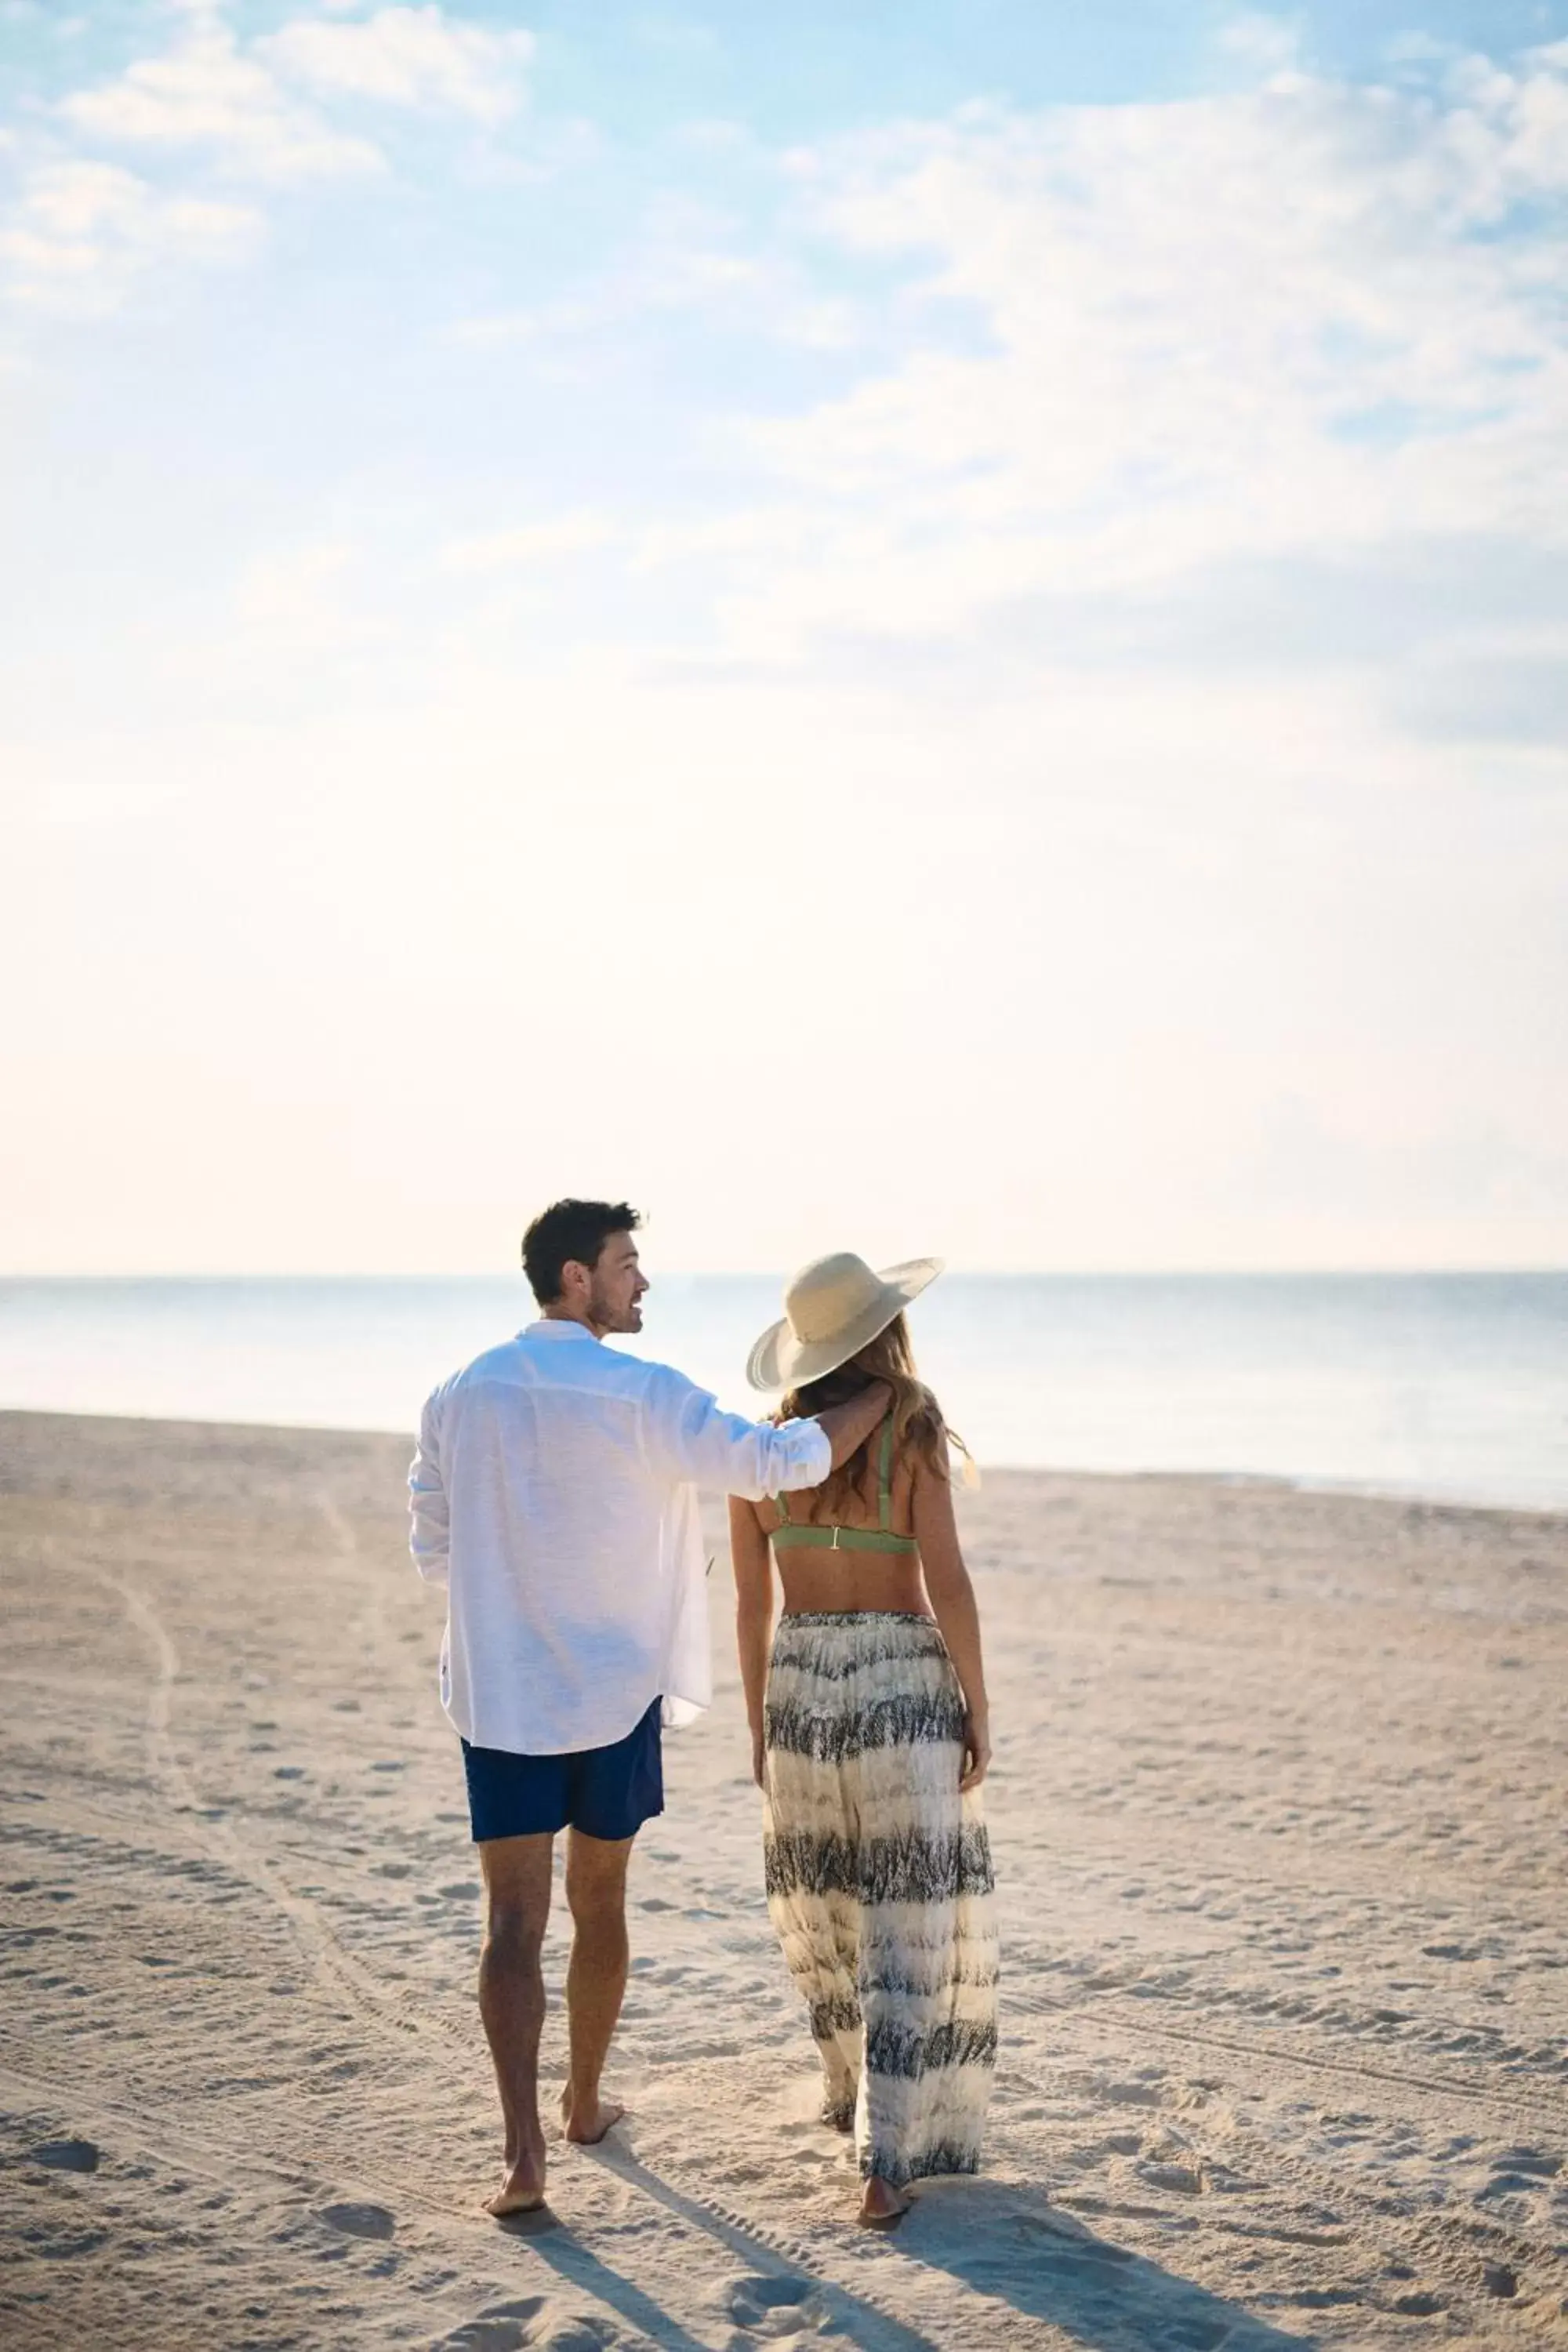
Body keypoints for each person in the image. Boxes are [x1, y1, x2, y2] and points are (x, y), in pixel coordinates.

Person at [408, 1200, 891, 2220]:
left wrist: (510, 1602)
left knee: (511, 1924)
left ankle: (523, 2157)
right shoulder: (643, 1394)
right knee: (601, 1905)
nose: (643, 1282)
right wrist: (879, 1401)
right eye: (628, 1264)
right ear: (576, 1279)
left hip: (500, 1698)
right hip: (614, 1691)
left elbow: (431, 1542)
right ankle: (582, 2104)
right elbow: (781, 1464)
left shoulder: (459, 1392)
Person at [729, 1250, 997, 2228]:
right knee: (906, 1913)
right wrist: (978, 1704)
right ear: (883, 1334)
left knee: (828, 1901)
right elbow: (949, 1583)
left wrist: (761, 1722)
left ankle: (851, 2099)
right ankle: (884, 2156)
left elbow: (752, 1603)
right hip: (898, 1678)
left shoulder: (759, 1453)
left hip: (800, 1681)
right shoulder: (914, 1430)